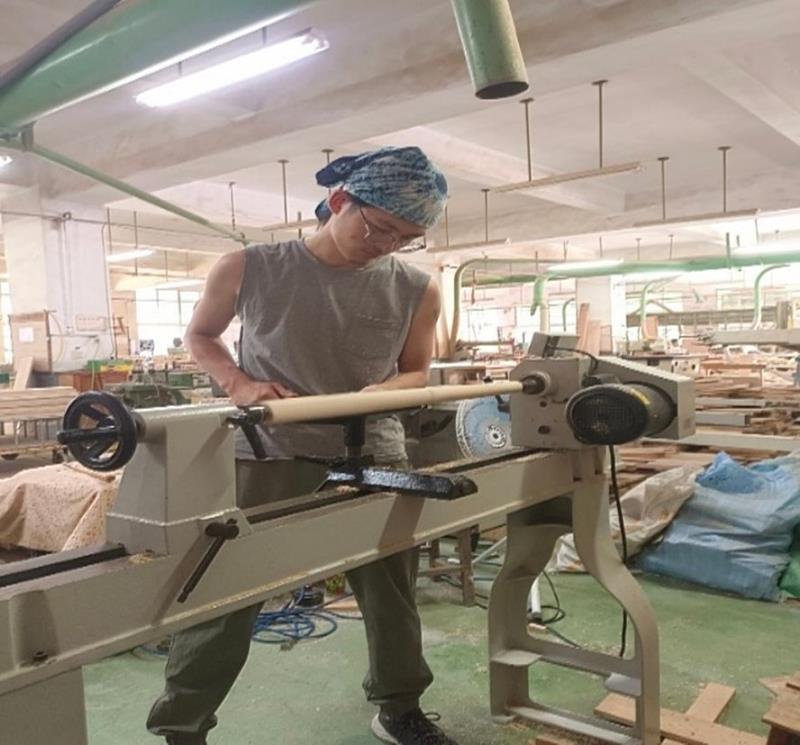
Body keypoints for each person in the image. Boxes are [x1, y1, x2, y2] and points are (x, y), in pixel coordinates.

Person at [146, 146, 458, 745]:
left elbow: (417, 371)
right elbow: (201, 335)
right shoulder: (249, 266)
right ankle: (183, 726)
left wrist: (383, 392)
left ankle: (399, 707)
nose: (386, 245)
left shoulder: (417, 288)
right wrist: (238, 383)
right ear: (339, 201)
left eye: (406, 238)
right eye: (380, 228)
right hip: (269, 452)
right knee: (228, 592)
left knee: (391, 590)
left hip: (375, 454)